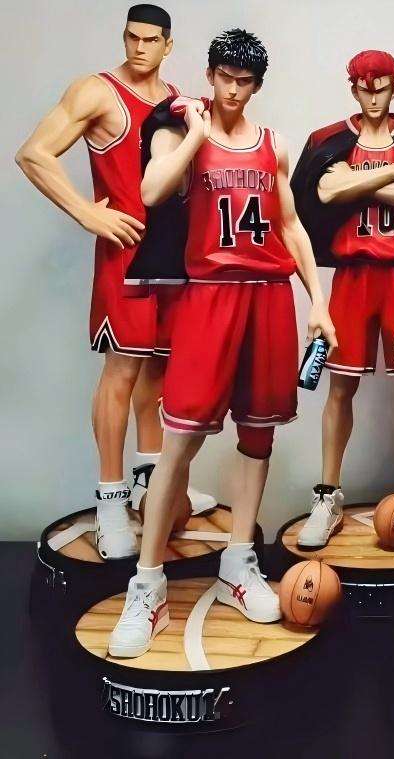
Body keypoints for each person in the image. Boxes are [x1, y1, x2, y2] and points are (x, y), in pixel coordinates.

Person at [107, 29, 336, 657]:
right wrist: (197, 137)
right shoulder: (179, 125)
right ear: (209, 74)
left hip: (268, 297)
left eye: (245, 82)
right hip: (209, 297)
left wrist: (318, 302)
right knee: (179, 442)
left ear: (256, 86)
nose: (233, 90)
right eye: (225, 78)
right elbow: (151, 191)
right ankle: (147, 584)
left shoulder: (273, 144)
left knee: (258, 435)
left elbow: (291, 224)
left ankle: (239, 560)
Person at [15, 4, 214, 560]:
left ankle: (152, 484)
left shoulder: (177, 100)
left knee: (159, 371)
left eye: (151, 40)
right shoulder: (97, 93)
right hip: (125, 254)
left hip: (170, 258)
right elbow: (33, 153)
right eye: (132, 37)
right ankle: (110, 502)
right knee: (121, 372)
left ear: (168, 46)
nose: (140, 48)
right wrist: (87, 212)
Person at [290, 51, 394, 549]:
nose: (373, 97)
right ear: (352, 89)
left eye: (381, 87)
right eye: (364, 88)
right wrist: (392, 175)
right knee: (339, 389)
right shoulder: (327, 141)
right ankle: (327, 496)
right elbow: (323, 194)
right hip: (352, 276)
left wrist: (359, 181)